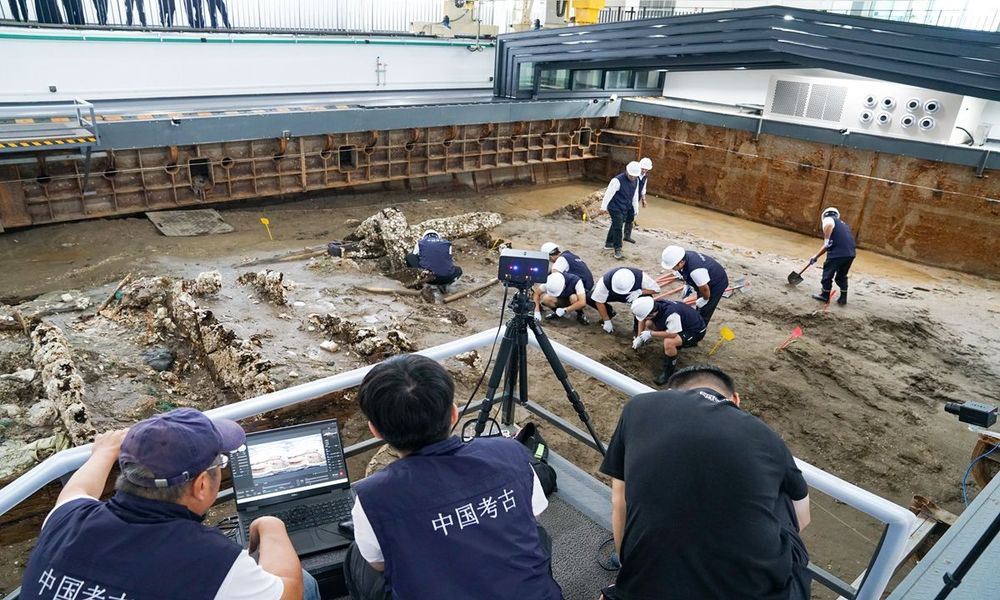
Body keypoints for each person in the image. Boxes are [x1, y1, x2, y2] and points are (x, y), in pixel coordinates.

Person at [20, 408, 318, 600]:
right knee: (306, 582)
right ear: (202, 485)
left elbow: (78, 489)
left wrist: (103, 452)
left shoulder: (66, 521)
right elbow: (289, 592)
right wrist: (270, 526)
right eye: (220, 463)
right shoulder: (211, 560)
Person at [343, 354, 562, 600]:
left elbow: (379, 564)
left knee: (357, 556)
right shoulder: (510, 452)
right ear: (454, 413)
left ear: (375, 430)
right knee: (536, 534)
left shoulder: (374, 497)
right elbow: (532, 514)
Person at [599, 365, 812, 600]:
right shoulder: (767, 436)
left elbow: (619, 502)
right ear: (735, 400)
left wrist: (627, 567)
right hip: (758, 591)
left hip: (644, 587)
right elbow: (803, 517)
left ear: (671, 392)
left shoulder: (638, 406)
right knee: (780, 491)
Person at [631, 296, 706, 385]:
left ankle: (668, 372)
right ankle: (678, 342)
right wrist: (640, 337)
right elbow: (643, 319)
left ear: (652, 313)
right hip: (681, 324)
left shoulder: (671, 314)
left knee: (669, 342)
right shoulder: (654, 305)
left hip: (695, 331)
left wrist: (650, 334)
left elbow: (672, 334)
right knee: (649, 323)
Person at [660, 245, 729, 327]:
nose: (672, 269)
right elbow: (684, 271)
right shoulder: (683, 256)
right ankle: (696, 318)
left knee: (705, 308)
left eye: (673, 267)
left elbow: (704, 289)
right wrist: (688, 284)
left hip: (716, 283)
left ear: (681, 262)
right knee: (699, 305)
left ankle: (699, 328)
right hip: (705, 277)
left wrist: (705, 299)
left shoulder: (696, 271)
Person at [590, 267, 660, 334]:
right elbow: (598, 301)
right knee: (590, 297)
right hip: (612, 294)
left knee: (645, 301)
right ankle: (609, 312)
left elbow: (656, 289)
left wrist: (640, 292)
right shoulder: (605, 281)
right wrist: (606, 320)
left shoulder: (641, 276)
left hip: (632, 295)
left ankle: (637, 329)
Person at [809, 206, 856, 305]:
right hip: (850, 254)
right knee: (841, 276)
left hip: (837, 254)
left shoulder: (829, 219)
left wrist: (826, 240)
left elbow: (828, 234)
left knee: (827, 274)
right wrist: (816, 257)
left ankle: (825, 295)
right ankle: (843, 298)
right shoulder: (843, 225)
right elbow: (828, 245)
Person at [600, 161, 642, 259]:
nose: (632, 178)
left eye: (634, 176)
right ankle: (617, 249)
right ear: (627, 171)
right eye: (631, 176)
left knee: (616, 224)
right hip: (614, 207)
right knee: (618, 227)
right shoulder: (617, 181)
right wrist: (603, 207)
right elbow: (608, 194)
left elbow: (635, 195)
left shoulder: (636, 180)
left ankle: (608, 243)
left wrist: (636, 208)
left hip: (625, 206)